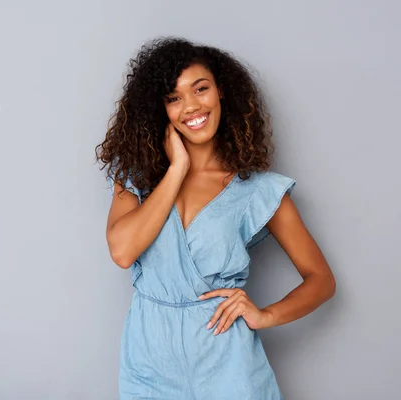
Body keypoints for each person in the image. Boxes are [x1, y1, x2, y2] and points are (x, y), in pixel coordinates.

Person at [95, 37, 336, 399]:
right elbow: (123, 251)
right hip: (148, 362)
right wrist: (177, 169)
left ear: (221, 91)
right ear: (160, 108)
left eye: (200, 89)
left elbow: (321, 280)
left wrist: (265, 316)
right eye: (174, 98)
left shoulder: (257, 190)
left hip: (227, 364)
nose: (191, 106)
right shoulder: (137, 178)